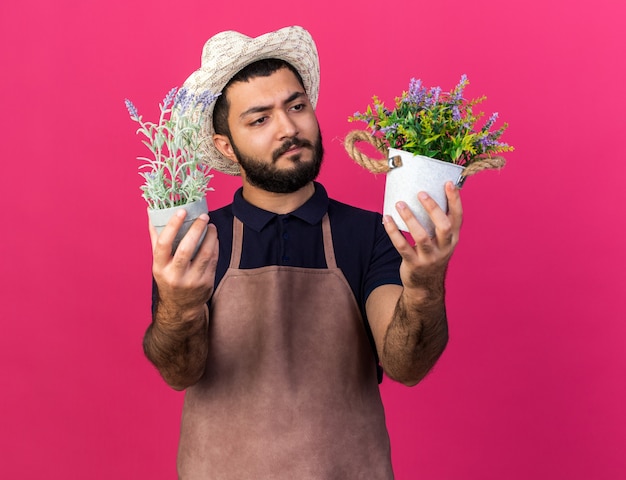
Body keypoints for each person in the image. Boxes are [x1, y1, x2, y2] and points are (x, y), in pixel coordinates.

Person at [143, 26, 462, 479]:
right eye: (260, 119)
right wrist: (177, 306)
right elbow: (180, 372)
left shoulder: (371, 233)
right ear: (225, 147)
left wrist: (427, 284)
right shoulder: (198, 238)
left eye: (296, 106)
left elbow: (406, 366)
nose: (289, 128)